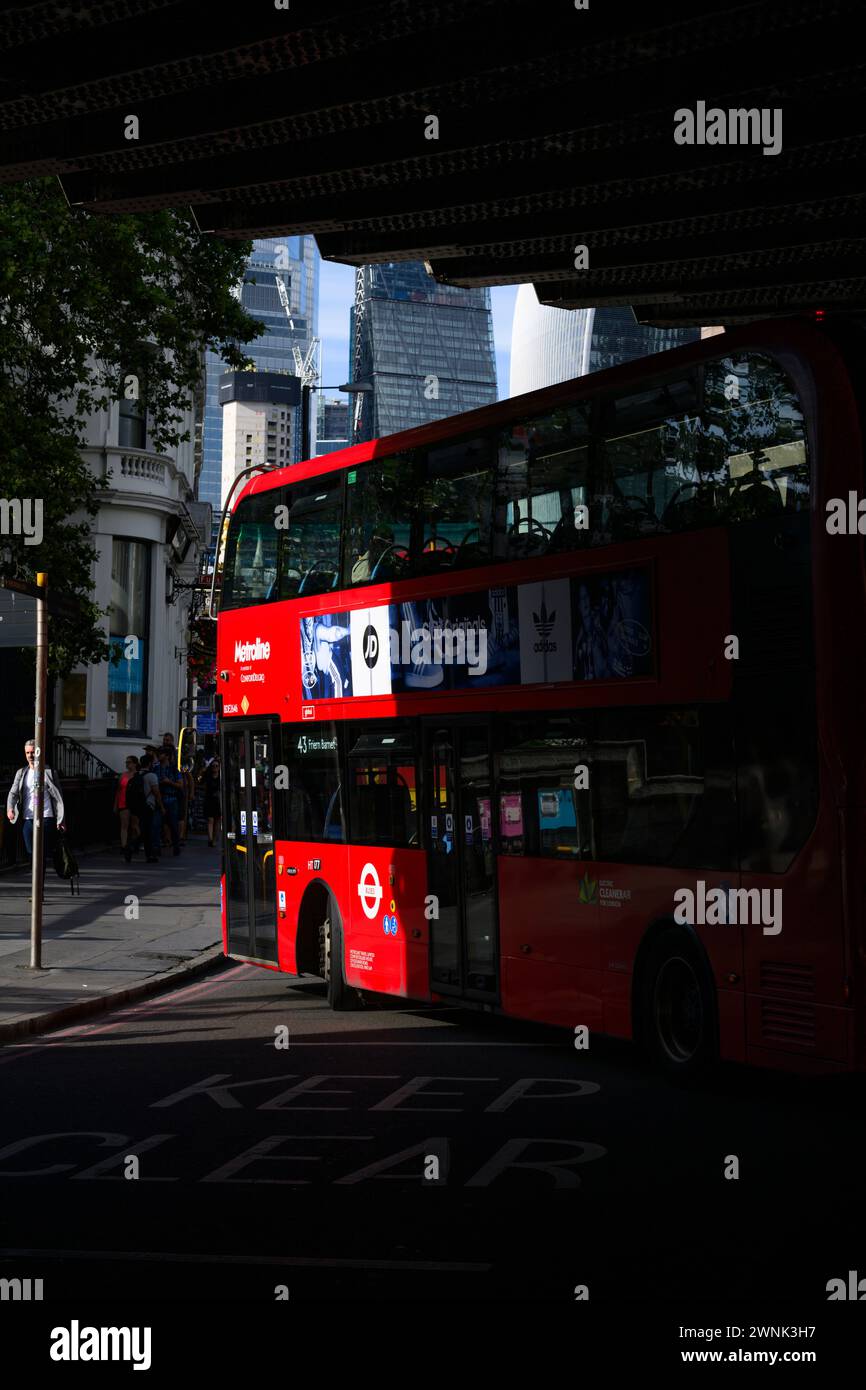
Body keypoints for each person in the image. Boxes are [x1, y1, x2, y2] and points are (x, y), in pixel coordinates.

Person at [6, 739, 65, 880]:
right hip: (28, 819)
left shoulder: (49, 772)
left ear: (39, 752)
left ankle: (39, 890)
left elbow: (58, 797)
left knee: (41, 855)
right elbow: (13, 793)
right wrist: (10, 808)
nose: (30, 755)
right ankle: (37, 886)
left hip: (46, 817)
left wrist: (61, 820)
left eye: (33, 752)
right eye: (27, 753)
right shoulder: (22, 773)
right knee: (31, 854)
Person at [156, 748, 183, 855]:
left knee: (173, 824)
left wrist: (169, 782)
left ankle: (176, 846)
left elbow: (180, 785)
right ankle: (157, 848)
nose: (159, 755)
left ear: (167, 756)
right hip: (159, 799)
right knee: (157, 824)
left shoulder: (174, 769)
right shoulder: (156, 768)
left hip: (171, 799)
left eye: (161, 753)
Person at [139, 753, 165, 863]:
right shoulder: (152, 776)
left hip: (138, 805)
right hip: (149, 806)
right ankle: (150, 854)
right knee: (149, 831)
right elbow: (156, 793)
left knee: (143, 830)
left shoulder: (138, 774)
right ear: (150, 763)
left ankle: (133, 848)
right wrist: (162, 806)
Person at [114, 755, 140, 860]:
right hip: (123, 802)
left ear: (134, 763)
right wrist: (115, 805)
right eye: (126, 762)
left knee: (134, 826)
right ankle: (124, 846)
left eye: (129, 762)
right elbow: (118, 791)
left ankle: (134, 844)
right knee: (124, 825)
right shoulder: (123, 776)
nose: (127, 764)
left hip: (134, 803)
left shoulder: (137, 775)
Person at [198, 755, 221, 846]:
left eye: (216, 766)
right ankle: (210, 839)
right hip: (209, 800)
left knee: (217, 820)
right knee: (210, 819)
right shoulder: (208, 776)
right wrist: (203, 770)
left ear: (219, 767)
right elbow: (200, 780)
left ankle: (214, 838)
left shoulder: (221, 777)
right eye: (213, 766)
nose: (215, 767)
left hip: (218, 801)